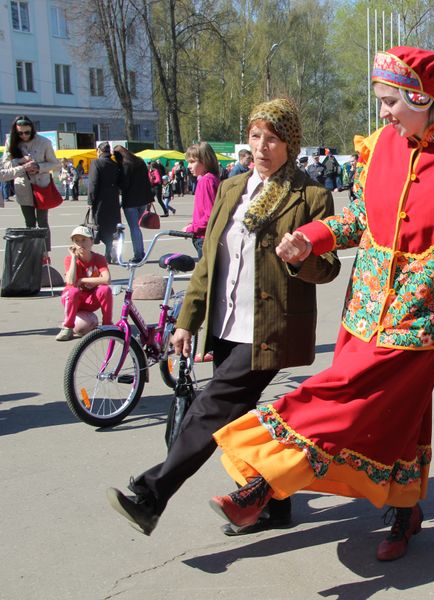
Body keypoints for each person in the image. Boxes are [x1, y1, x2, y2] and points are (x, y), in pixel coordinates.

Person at [207, 46, 434, 562]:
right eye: (381, 101)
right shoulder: (379, 146)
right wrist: (311, 238)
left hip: (420, 320)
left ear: (422, 98)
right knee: (397, 415)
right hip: (362, 311)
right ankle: (404, 508)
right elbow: (357, 220)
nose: (382, 112)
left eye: (390, 101)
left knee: (344, 396)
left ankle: (264, 480)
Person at [106, 98, 341, 537]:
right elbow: (209, 264)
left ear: (290, 143)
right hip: (226, 324)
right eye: (256, 136)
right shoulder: (232, 190)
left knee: (209, 410)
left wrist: (302, 257)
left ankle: (151, 496)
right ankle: (271, 501)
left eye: (273, 138)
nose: (263, 146)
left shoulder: (311, 195)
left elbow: (327, 269)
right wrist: (185, 322)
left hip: (270, 328)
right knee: (239, 419)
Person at [0, 115, 59, 257]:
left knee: (43, 221)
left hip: (41, 186)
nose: (24, 136)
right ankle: (33, 251)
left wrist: (38, 167)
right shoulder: (11, 142)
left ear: (32, 130)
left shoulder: (44, 142)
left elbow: (55, 164)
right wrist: (20, 161)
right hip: (23, 187)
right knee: (29, 222)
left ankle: (45, 253)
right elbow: (5, 165)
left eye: (27, 132)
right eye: (20, 133)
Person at [57, 226, 113, 341]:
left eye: (84, 240)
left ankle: (107, 325)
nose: (80, 244)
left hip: (90, 300)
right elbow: (71, 282)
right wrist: (73, 258)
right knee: (73, 291)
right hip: (74, 300)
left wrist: (82, 280)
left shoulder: (99, 258)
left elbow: (107, 279)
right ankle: (67, 327)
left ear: (91, 241)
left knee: (105, 289)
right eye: (76, 241)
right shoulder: (69, 259)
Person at [114, 145, 152, 262]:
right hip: (143, 199)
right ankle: (141, 251)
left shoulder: (125, 165)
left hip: (130, 201)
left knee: (134, 228)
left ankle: (138, 254)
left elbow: (124, 185)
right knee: (137, 228)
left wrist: (116, 183)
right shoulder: (139, 161)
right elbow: (147, 181)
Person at [184, 142, 221, 259]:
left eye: (192, 162)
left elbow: (210, 215)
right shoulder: (212, 179)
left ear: (205, 161)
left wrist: (191, 228)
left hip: (204, 238)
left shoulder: (206, 181)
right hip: (206, 237)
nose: (188, 166)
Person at [88, 143, 121, 262]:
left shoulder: (96, 163)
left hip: (100, 200)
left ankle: (93, 255)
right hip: (113, 200)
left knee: (99, 226)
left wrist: (90, 200)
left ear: (99, 151)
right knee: (111, 227)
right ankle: (109, 252)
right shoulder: (115, 164)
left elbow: (93, 183)